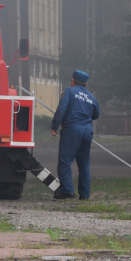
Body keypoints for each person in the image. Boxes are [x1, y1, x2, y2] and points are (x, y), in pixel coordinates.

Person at [51, 69, 100, 201]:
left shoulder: (69, 91)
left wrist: (54, 126)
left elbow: (61, 110)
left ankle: (67, 191)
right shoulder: (91, 96)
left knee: (64, 161)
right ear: (85, 84)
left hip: (72, 130)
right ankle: (84, 195)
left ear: (73, 80)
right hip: (87, 131)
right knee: (84, 164)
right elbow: (96, 114)